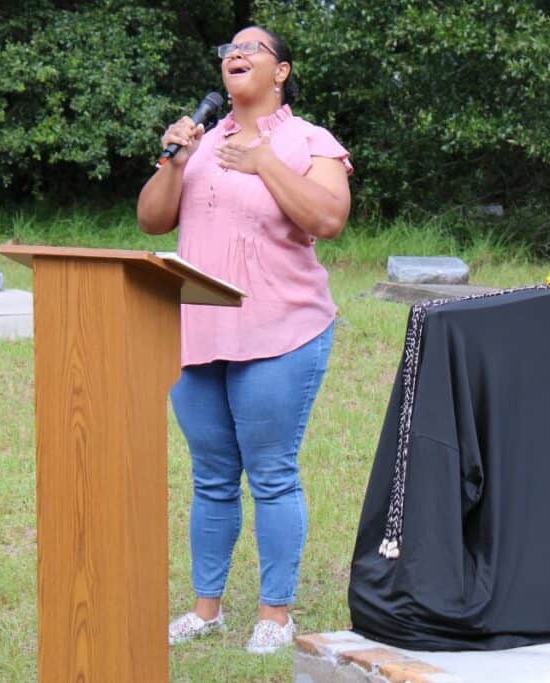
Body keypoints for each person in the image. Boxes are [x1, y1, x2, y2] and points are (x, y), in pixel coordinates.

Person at [137, 25, 352, 654]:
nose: (236, 53)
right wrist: (176, 156)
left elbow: (329, 219)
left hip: (280, 331)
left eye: (252, 47)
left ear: (280, 71)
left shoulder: (309, 141)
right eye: (229, 48)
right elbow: (153, 218)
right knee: (210, 478)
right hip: (198, 334)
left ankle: (274, 614)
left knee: (273, 475)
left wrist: (262, 162)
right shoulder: (199, 145)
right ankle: (207, 609)